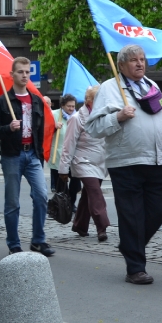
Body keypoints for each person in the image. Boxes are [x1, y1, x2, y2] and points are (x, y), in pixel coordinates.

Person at [86, 44, 162, 285]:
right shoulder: (109, 88)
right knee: (132, 215)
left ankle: (130, 244)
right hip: (126, 161)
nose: (140, 63)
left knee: (159, 210)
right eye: (134, 60)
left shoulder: (152, 86)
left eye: (142, 59)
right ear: (121, 65)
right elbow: (93, 127)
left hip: (158, 159)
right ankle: (135, 268)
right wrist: (118, 117)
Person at [0, 57, 54, 257]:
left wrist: (40, 155)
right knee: (12, 202)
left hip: (32, 154)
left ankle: (38, 241)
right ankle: (14, 244)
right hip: (12, 156)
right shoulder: (2, 101)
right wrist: (8, 128)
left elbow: (40, 130)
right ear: (12, 75)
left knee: (41, 195)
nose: (25, 75)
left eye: (27, 72)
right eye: (20, 72)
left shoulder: (36, 100)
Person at [59, 86, 109, 242]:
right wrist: (63, 169)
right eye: (98, 99)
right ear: (89, 100)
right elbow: (68, 144)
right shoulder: (76, 119)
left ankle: (79, 225)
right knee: (95, 193)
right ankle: (102, 227)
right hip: (83, 162)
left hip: (100, 162)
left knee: (88, 194)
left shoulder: (105, 115)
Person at [49, 94, 81, 206]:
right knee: (61, 184)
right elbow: (44, 131)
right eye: (69, 106)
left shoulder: (78, 116)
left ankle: (71, 204)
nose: (71, 109)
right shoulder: (54, 115)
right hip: (58, 154)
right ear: (62, 105)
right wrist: (53, 127)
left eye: (73, 106)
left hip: (74, 154)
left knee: (76, 183)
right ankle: (62, 206)